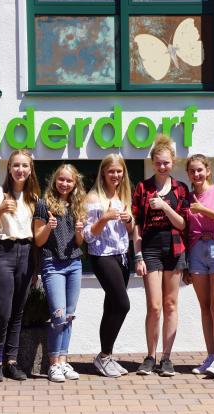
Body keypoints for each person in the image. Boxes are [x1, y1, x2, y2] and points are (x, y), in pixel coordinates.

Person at [0, 149, 40, 382]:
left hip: (25, 253)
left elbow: (36, 235)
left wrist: (36, 267)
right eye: (16, 165)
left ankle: (11, 362)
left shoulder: (33, 198)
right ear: (9, 168)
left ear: (30, 169)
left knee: (17, 311)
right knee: (1, 310)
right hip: (0, 253)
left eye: (25, 166)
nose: (20, 170)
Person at [132, 134, 189, 377]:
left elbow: (183, 224)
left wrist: (165, 206)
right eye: (158, 163)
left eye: (166, 163)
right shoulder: (142, 187)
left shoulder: (180, 188)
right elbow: (136, 224)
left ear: (172, 162)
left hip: (174, 248)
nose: (162, 166)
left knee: (171, 304)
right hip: (151, 249)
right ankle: (150, 356)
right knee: (154, 307)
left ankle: (166, 358)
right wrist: (138, 256)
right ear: (152, 162)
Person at [33, 164, 86, 383]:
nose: (64, 183)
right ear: (54, 180)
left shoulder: (77, 205)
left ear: (75, 183)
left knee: (69, 315)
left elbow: (79, 242)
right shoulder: (43, 204)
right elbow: (38, 240)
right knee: (58, 315)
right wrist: (49, 227)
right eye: (61, 179)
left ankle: (63, 361)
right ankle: (53, 364)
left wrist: (80, 232)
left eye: (69, 180)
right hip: (52, 263)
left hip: (74, 263)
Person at [182, 154, 214, 379]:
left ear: (208, 171)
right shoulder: (187, 197)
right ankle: (211, 357)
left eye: (200, 170)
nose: (196, 174)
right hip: (196, 252)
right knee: (204, 307)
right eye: (192, 171)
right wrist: (185, 264)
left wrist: (202, 209)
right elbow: (185, 229)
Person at [83, 154, 135, 378]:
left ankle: (106, 356)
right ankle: (103, 357)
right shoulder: (93, 198)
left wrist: (129, 220)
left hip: (122, 255)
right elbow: (87, 236)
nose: (115, 175)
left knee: (112, 307)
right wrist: (104, 218)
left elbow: (131, 231)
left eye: (119, 171)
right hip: (102, 255)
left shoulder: (123, 195)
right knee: (123, 304)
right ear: (103, 172)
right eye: (111, 171)